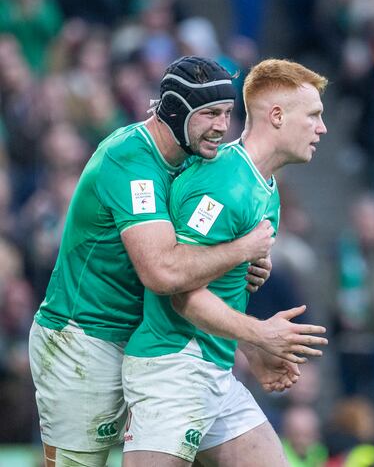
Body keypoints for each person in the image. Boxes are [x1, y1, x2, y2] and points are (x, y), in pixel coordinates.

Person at [28, 56, 306, 467]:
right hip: (83, 340)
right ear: (175, 111)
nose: (222, 127)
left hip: (161, 345)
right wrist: (240, 252)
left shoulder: (196, 156)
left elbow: (197, 259)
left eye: (228, 113)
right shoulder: (130, 161)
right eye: (210, 113)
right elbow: (162, 273)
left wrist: (236, 268)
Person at [122, 59, 330, 466]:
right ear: (276, 116)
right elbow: (179, 291)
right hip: (172, 367)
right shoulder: (222, 184)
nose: (322, 128)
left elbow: (218, 284)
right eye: (314, 115)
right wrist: (259, 335)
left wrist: (249, 348)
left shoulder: (265, 189)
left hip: (214, 371)